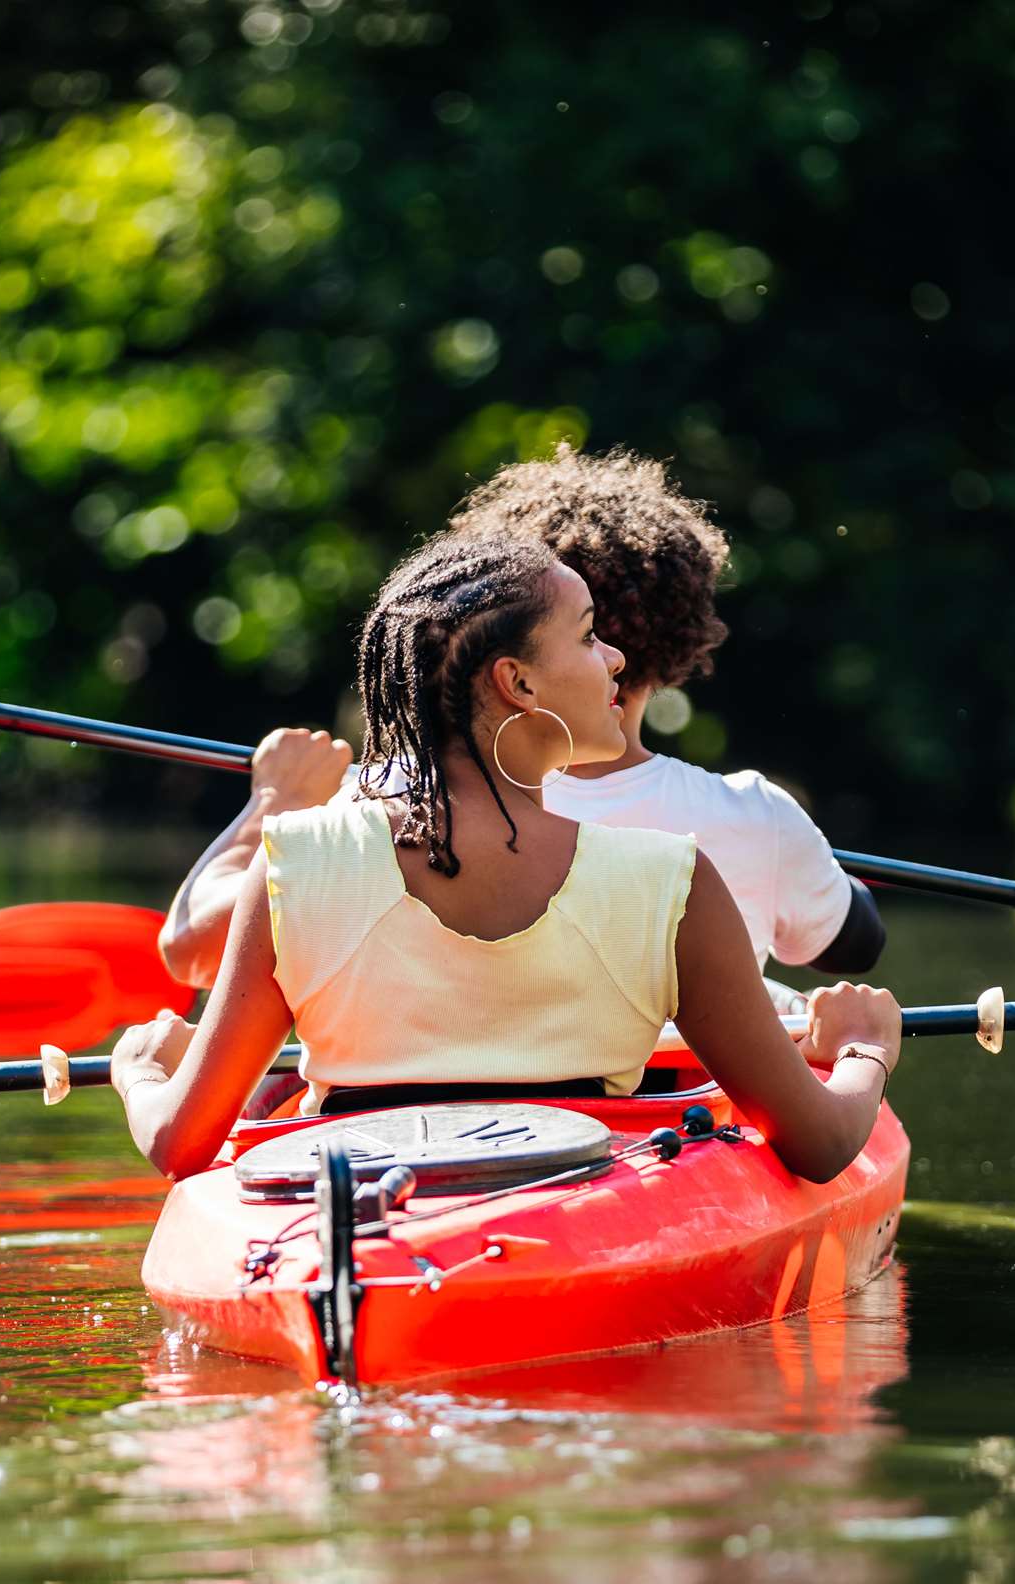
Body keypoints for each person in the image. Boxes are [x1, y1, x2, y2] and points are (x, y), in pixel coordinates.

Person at [111, 534, 902, 1184]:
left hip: (355, 1205)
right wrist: (864, 1047)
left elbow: (180, 1144)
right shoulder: (673, 881)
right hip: (586, 1210)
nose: (617, 659)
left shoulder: (292, 859)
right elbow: (823, 1144)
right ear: (518, 683)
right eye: (590, 636)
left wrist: (143, 1070)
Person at [156, 446, 886, 988]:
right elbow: (853, 946)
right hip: (662, 1130)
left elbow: (191, 953)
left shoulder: (378, 802)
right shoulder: (758, 817)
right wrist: (815, 863)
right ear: (680, 634)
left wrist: (272, 804)